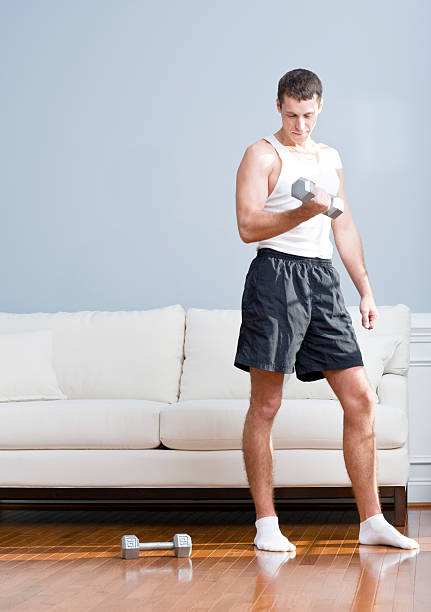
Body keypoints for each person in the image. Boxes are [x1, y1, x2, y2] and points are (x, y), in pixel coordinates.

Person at [233, 68, 419, 552]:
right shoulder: (261, 154)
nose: (300, 125)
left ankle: (372, 520)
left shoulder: (329, 157)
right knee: (267, 404)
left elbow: (345, 227)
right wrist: (304, 211)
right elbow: (248, 226)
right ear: (278, 106)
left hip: (322, 280)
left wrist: (365, 289)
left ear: (320, 108)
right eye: (292, 115)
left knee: (361, 399)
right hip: (275, 275)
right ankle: (267, 524)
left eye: (308, 115)